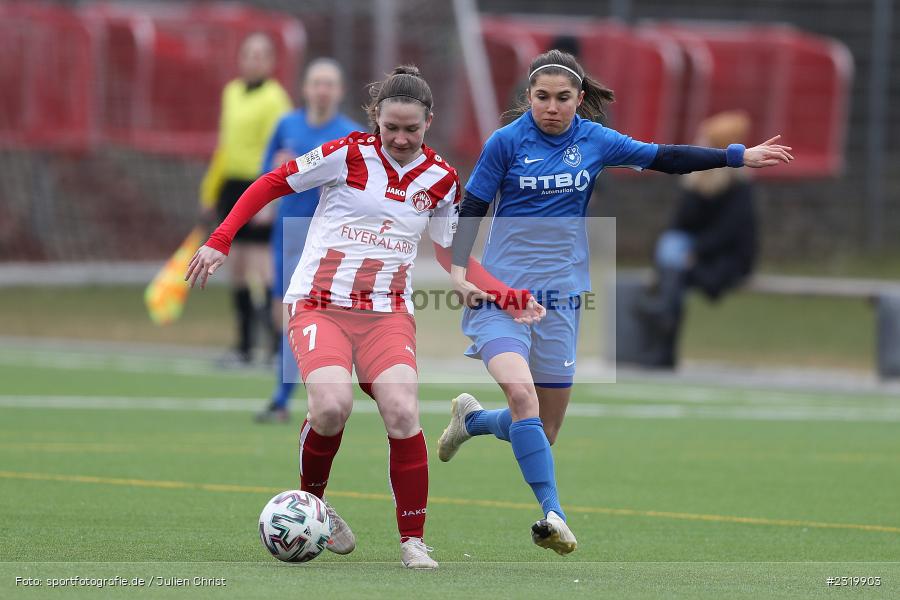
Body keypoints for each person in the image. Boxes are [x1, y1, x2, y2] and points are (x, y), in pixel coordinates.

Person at [436, 49, 792, 555]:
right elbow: (472, 205)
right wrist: (457, 270)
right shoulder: (506, 143)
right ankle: (553, 514)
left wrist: (735, 156)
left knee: (544, 427)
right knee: (522, 397)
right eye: (542, 98)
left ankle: (472, 421)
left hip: (561, 298)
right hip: (502, 296)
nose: (552, 107)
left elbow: (665, 157)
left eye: (563, 98)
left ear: (580, 100)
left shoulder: (595, 141)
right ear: (528, 99)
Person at [186, 66, 541, 569]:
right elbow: (271, 183)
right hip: (319, 305)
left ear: (428, 123)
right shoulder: (346, 154)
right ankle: (315, 506)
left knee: (402, 411)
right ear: (375, 118)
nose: (399, 138)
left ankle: (413, 541)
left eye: (411, 129)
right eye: (390, 127)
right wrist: (221, 241)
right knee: (331, 407)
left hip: (386, 315)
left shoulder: (440, 179)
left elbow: (451, 257)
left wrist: (507, 295)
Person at [254, 58, 363, 424]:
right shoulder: (287, 125)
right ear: (305, 88)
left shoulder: (351, 134)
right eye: (316, 82)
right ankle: (287, 396)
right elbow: (267, 174)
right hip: (289, 231)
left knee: (315, 315)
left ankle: (295, 396)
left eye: (329, 83)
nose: (322, 90)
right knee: (283, 315)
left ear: (340, 90)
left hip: (330, 237)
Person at [635, 111, 758, 368]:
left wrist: (697, 253)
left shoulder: (739, 188)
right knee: (672, 250)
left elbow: (729, 233)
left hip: (724, 258)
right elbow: (680, 225)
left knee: (674, 270)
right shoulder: (697, 184)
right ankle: (664, 321)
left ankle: (662, 324)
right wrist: (694, 190)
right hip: (688, 254)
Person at [199, 33, 292, 366]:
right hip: (231, 184)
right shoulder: (232, 92)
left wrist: (270, 199)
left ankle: (275, 345)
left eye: (260, 55)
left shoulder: (275, 99)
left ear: (270, 62)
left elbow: (281, 151)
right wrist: (210, 190)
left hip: (259, 186)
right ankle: (243, 345)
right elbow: (225, 146)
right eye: (248, 54)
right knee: (235, 267)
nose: (253, 60)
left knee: (262, 267)